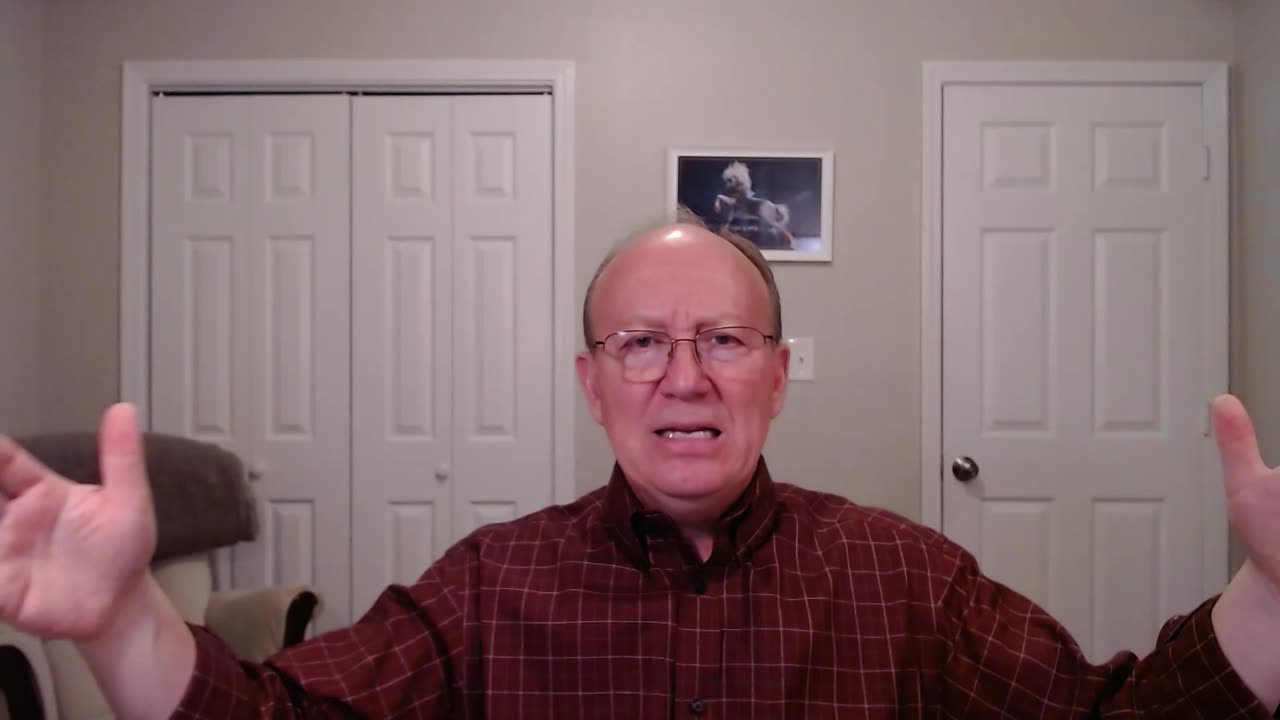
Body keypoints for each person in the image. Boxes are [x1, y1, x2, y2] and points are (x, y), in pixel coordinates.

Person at [0, 219, 1277, 719]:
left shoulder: (904, 573)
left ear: (777, 376)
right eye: (640, 344)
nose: (683, 376)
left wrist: (1268, 595)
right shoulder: (493, 583)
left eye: (724, 341)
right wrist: (122, 618)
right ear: (590, 381)